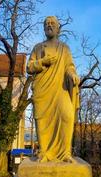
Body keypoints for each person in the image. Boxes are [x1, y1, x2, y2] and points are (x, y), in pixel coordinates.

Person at [27, 16, 80, 162]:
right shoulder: (38, 47)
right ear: (44, 28)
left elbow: (69, 66)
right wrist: (42, 61)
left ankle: (65, 153)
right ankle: (44, 152)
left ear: (58, 28)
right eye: (47, 24)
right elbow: (29, 67)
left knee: (67, 116)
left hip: (60, 88)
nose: (49, 25)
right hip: (42, 89)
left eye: (52, 23)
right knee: (43, 120)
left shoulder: (64, 48)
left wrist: (73, 75)